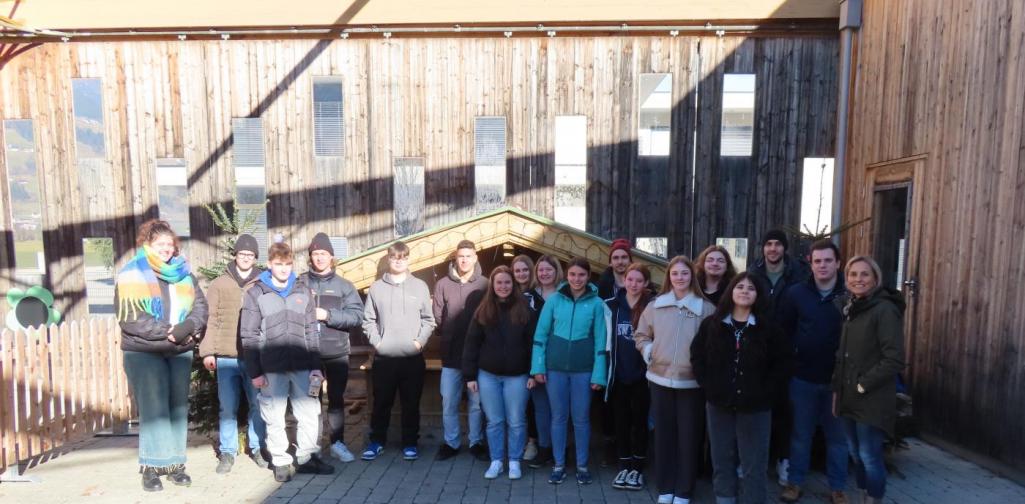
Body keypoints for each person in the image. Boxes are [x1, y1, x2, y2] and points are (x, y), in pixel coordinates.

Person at [116, 219, 208, 492]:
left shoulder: (184, 274)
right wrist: (168, 332)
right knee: (154, 409)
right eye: (160, 244)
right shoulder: (131, 273)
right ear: (148, 245)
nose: (166, 249)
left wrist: (187, 328)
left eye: (170, 244)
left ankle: (176, 465)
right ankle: (152, 468)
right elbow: (131, 318)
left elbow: (200, 306)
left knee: (178, 408)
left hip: (178, 350)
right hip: (144, 351)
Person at [691, 272, 791, 504]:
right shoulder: (712, 325)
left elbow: (783, 364)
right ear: (731, 292)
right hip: (719, 405)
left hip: (755, 408)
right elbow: (697, 356)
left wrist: (766, 392)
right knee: (722, 460)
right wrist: (708, 385)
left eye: (751, 288)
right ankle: (725, 499)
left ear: (758, 295)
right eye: (740, 287)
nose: (745, 291)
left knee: (753, 464)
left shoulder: (769, 329)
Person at [241, 242, 334, 483]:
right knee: (274, 415)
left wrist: (316, 366)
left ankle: (305, 457)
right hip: (271, 368)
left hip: (303, 365)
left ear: (292, 265)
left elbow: (312, 331)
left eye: (288, 264)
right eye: (279, 264)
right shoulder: (256, 293)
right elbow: (248, 336)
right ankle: (280, 460)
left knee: (309, 413)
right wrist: (255, 372)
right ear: (270, 265)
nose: (283, 269)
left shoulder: (302, 291)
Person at [634, 255, 714, 504]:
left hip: (691, 384)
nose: (680, 278)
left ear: (692, 276)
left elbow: (713, 346)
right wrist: (649, 351)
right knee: (663, 436)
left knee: (689, 438)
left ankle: (683, 490)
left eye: (685, 273)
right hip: (659, 380)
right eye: (675, 273)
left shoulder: (706, 309)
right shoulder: (656, 306)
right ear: (669, 277)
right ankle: (665, 487)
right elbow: (641, 334)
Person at [778, 240, 850, 504]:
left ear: (838, 263)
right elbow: (783, 331)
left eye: (828, 260)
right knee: (800, 435)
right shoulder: (796, 293)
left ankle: (838, 488)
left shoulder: (848, 294)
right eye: (817, 261)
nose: (822, 265)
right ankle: (795, 483)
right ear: (810, 263)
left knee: (837, 438)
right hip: (802, 378)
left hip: (837, 381)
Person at [832, 256, 905, 504]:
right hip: (848, 396)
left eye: (864, 274)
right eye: (853, 274)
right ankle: (863, 497)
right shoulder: (852, 308)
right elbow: (842, 356)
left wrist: (863, 384)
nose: (858, 279)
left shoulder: (885, 310)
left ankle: (874, 499)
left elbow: (893, 359)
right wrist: (837, 391)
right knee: (855, 453)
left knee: (869, 455)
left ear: (875, 279)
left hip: (871, 399)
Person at [531, 257, 608, 485]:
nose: (577, 279)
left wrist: (599, 374)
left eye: (581, 275)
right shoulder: (554, 300)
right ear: (567, 275)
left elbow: (601, 342)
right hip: (555, 370)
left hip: (584, 371)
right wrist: (538, 367)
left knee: (582, 419)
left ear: (588, 276)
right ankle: (558, 464)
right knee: (558, 417)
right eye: (573, 274)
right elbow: (540, 336)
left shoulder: (596, 303)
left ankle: (582, 465)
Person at [361, 241, 436, 461]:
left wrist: (419, 343)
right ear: (389, 259)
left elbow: (429, 321)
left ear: (408, 259)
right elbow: (368, 321)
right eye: (394, 257)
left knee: (411, 403)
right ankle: (376, 442)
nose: (398, 261)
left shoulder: (420, 286)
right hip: (384, 358)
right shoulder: (376, 288)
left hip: (412, 358)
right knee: (381, 402)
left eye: (402, 257)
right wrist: (378, 343)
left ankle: (410, 443)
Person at [199, 233, 267, 474]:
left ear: (255, 257)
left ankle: (257, 447)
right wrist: (208, 351)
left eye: (250, 255)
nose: (246, 258)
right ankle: (227, 452)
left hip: (254, 356)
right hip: (226, 356)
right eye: (242, 254)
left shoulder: (263, 282)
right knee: (227, 407)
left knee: (257, 405)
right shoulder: (220, 283)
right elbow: (211, 319)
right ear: (235, 255)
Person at [747, 229, 810, 484]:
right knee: (756, 408)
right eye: (768, 244)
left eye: (777, 245)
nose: (773, 249)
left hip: (787, 350)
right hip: (758, 348)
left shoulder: (799, 274)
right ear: (763, 248)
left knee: (785, 410)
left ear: (784, 248)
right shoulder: (754, 274)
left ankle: (784, 460)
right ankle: (753, 460)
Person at [463, 266, 537, 480]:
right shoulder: (483, 310)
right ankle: (497, 460)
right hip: (488, 375)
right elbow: (471, 344)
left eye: (507, 282)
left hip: (518, 375)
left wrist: (533, 373)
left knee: (516, 420)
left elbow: (533, 344)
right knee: (494, 420)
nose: (503, 286)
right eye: (499, 283)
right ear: (492, 286)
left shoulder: (525, 310)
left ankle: (514, 460)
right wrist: (469, 376)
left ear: (513, 285)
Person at [300, 232, 364, 463]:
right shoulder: (300, 283)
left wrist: (328, 315)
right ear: (310, 257)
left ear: (331, 257)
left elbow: (357, 316)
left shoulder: (344, 286)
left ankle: (338, 443)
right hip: (307, 354)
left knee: (336, 401)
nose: (319, 258)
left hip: (336, 353)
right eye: (315, 254)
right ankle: (312, 446)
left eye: (323, 254)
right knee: (310, 402)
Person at [433, 239, 489, 461]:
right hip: (451, 355)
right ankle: (451, 442)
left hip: (478, 355)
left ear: (475, 258)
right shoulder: (442, 285)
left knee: (476, 403)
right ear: (455, 258)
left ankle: (476, 442)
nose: (464, 260)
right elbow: (438, 316)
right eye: (460, 256)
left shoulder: (485, 284)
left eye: (468, 256)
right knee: (449, 400)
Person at [606, 263, 654, 491]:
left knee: (640, 423)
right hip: (619, 374)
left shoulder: (652, 307)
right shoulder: (612, 305)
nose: (633, 284)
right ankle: (623, 465)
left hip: (643, 376)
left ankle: (638, 467)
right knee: (621, 422)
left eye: (639, 280)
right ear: (624, 280)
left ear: (645, 283)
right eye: (630, 279)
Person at [595, 238, 637, 466]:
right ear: (610, 262)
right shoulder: (603, 285)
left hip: (631, 349)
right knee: (609, 401)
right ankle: (611, 444)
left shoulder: (639, 283)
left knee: (633, 402)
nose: (620, 262)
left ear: (630, 260)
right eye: (616, 258)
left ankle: (634, 446)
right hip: (609, 347)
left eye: (624, 257)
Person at [525, 254, 563, 469]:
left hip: (559, 358)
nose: (545, 273)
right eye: (541, 270)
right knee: (540, 408)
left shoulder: (566, 295)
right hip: (535, 359)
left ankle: (560, 448)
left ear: (556, 271)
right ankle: (544, 448)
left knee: (559, 409)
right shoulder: (528, 297)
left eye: (549, 269)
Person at [511, 254, 542, 462]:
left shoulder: (538, 297)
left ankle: (533, 441)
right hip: (513, 357)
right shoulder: (507, 294)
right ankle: (517, 442)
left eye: (525, 270)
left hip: (534, 355)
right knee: (516, 405)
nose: (521, 274)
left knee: (533, 404)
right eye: (517, 271)